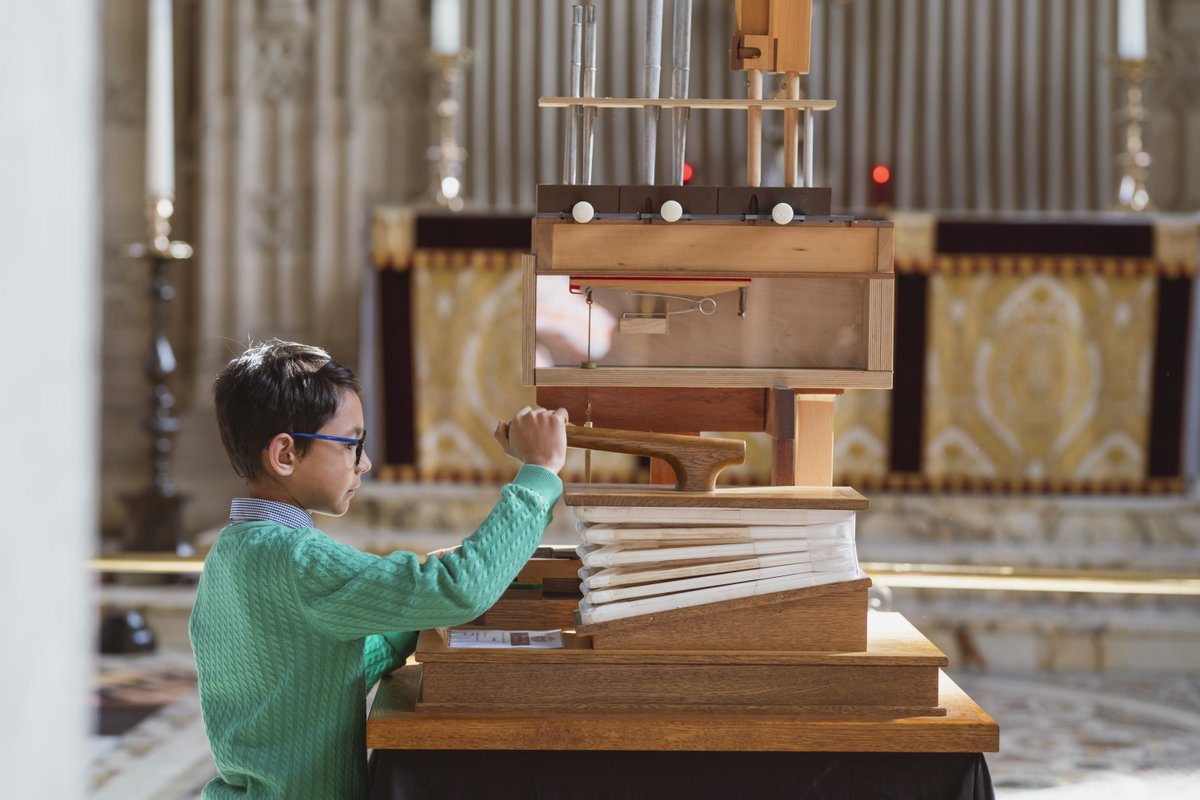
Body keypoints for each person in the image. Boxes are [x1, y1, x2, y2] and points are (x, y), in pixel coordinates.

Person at [189, 339, 567, 799]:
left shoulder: (232, 551)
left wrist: (410, 608)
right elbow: (459, 590)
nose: (364, 463)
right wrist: (539, 472)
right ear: (285, 454)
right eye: (351, 445)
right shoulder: (299, 560)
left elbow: (316, 675)